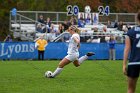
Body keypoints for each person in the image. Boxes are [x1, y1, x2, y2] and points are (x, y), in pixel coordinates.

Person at [123, 11, 140, 93]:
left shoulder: (130, 32)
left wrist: (124, 65)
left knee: (130, 90)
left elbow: (127, 49)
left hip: (134, 63)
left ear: (137, 18)